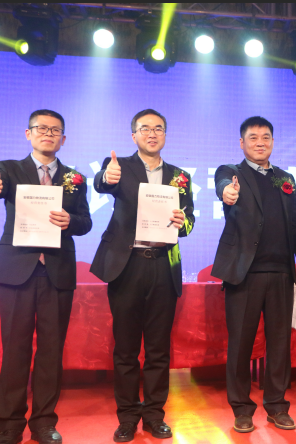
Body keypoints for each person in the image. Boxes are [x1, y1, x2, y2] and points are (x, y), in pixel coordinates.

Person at [90, 109, 195, 442]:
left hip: (163, 265)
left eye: (158, 128)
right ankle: (127, 417)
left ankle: (153, 415)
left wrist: (183, 222)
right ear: (133, 135)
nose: (152, 134)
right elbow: (100, 183)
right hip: (128, 265)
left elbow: (190, 222)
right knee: (125, 349)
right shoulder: (119, 166)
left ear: (165, 134)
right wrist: (106, 177)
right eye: (145, 128)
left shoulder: (180, 176)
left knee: (158, 349)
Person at [211, 116, 296, 433]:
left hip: (281, 272)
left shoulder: (285, 178)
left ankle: (277, 406)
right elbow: (222, 187)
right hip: (244, 274)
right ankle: (242, 408)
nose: (260, 142)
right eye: (253, 137)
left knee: (279, 344)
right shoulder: (231, 173)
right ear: (242, 143)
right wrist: (227, 192)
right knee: (241, 344)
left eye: (266, 137)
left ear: (273, 142)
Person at [0, 110, 92, 444]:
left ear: (63, 139)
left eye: (55, 130)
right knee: (15, 350)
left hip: (56, 271)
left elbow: (85, 222)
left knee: (51, 351)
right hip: (17, 271)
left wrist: (71, 221)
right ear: (29, 133)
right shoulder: (9, 169)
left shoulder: (75, 177)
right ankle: (9, 423)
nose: (48, 134)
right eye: (42, 128)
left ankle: (43, 422)